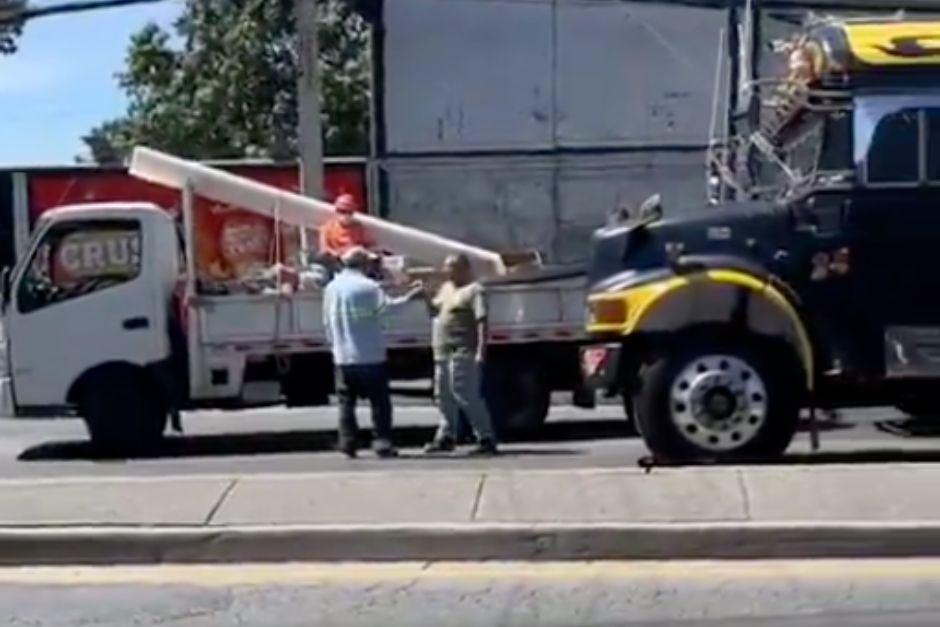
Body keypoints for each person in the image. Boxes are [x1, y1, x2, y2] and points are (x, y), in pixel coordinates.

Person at [323, 246, 422, 458]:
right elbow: (389, 309)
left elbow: (326, 321)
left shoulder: (331, 288)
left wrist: (334, 346)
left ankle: (348, 442)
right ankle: (382, 441)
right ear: (363, 264)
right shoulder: (368, 287)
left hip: (342, 355)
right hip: (369, 353)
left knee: (346, 402)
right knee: (379, 402)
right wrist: (412, 296)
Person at [423, 254, 498, 456]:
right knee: (443, 395)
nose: (447, 272)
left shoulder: (474, 291)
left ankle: (485, 437)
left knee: (465, 394)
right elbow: (435, 311)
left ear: (464, 269)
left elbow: (482, 321)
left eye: (452, 268)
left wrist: (481, 349)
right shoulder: (446, 289)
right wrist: (425, 295)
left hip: (462, 350)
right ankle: (446, 436)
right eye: (446, 268)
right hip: (442, 351)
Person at [318, 193, 375, 263]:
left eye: (348, 212)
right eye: (341, 211)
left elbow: (368, 246)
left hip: (355, 263)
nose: (344, 215)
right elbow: (324, 249)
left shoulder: (358, 228)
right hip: (335, 263)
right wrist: (337, 255)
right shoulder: (328, 227)